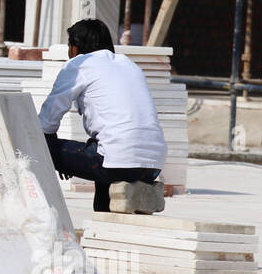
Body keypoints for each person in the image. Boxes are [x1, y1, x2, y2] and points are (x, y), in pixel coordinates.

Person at [37, 18, 166, 213]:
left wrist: (52, 153)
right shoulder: (129, 65)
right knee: (104, 148)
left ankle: (38, 217)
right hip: (153, 166)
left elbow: (46, 121)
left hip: (117, 163)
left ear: (75, 47)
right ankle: (104, 221)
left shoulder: (80, 63)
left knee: (30, 145)